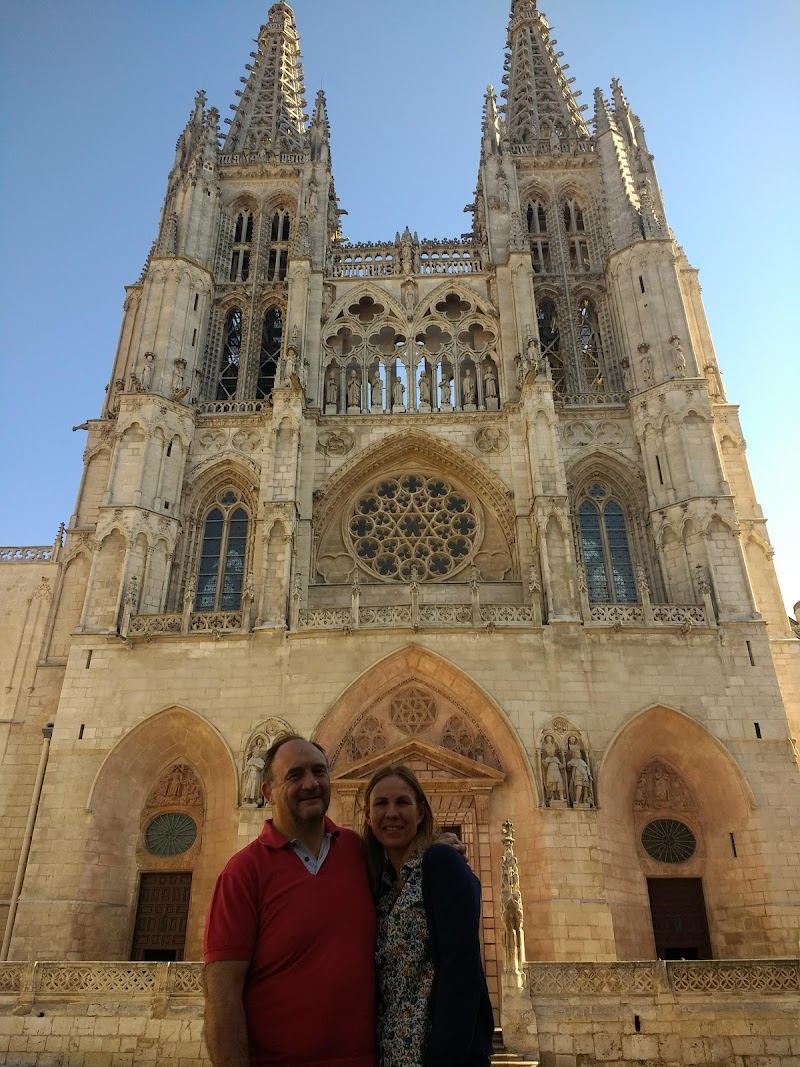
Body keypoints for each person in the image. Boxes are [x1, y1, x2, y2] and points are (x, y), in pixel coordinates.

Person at [204, 734, 377, 1067]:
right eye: (295, 775)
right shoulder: (243, 872)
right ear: (267, 792)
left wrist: (439, 848)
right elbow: (222, 993)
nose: (311, 783)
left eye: (319, 771)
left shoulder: (357, 852)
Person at [363, 765, 494, 1067]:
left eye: (403, 802)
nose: (392, 813)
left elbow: (462, 967)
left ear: (420, 812)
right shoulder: (379, 887)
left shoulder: (441, 862)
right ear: (368, 818)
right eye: (381, 803)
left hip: (438, 1055)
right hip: (391, 1052)